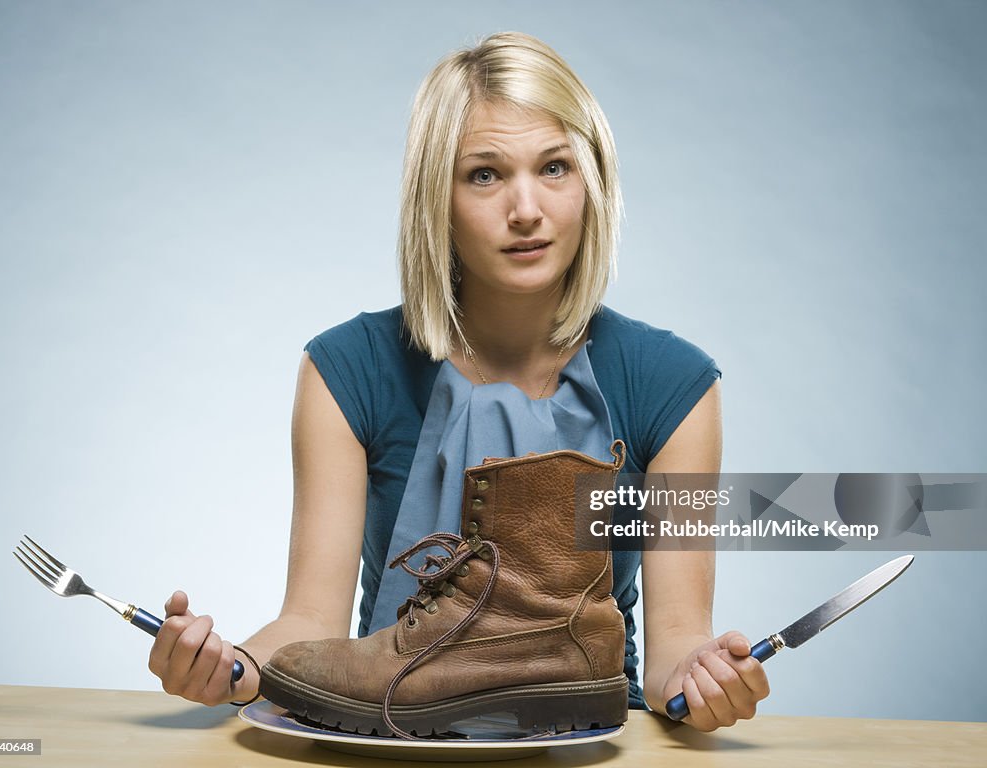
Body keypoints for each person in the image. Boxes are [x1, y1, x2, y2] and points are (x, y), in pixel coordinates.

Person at [147, 31, 769, 732]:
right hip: (382, 731)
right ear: (434, 198)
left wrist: (700, 675)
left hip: (584, 742)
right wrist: (232, 666)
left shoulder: (673, 386)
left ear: (593, 183)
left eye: (555, 167)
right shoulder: (346, 369)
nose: (527, 208)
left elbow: (675, 641)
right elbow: (309, 621)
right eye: (484, 174)